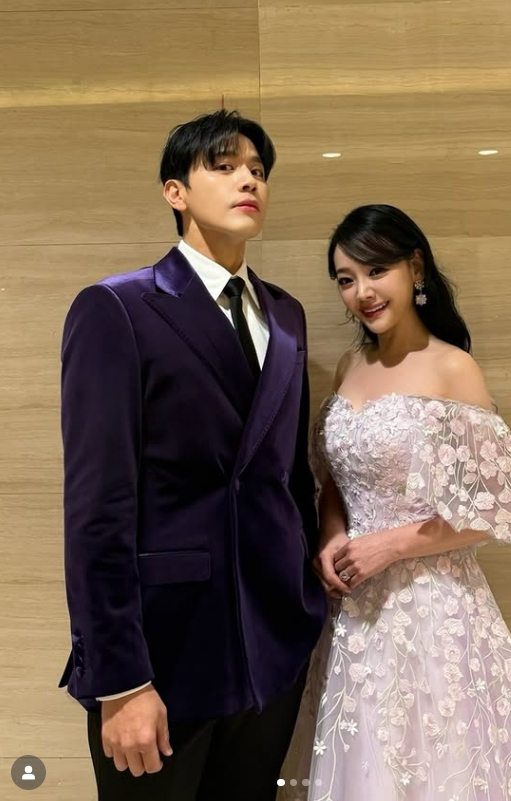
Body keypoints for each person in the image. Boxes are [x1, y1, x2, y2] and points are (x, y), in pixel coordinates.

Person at [58, 109, 327, 801]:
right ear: (174, 191)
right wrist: (120, 678)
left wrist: (302, 596)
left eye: (258, 170)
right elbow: (97, 507)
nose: (248, 180)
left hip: (271, 644)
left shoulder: (286, 315)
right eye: (224, 165)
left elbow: (287, 475)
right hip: (163, 648)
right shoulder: (117, 308)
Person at [279, 204, 511, 800]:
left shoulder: (453, 368)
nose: (363, 292)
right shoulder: (349, 366)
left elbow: (491, 509)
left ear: (415, 268)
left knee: (439, 763)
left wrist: (388, 547)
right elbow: (333, 478)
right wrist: (331, 535)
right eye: (346, 279)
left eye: (377, 271)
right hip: (353, 611)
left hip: (434, 609)